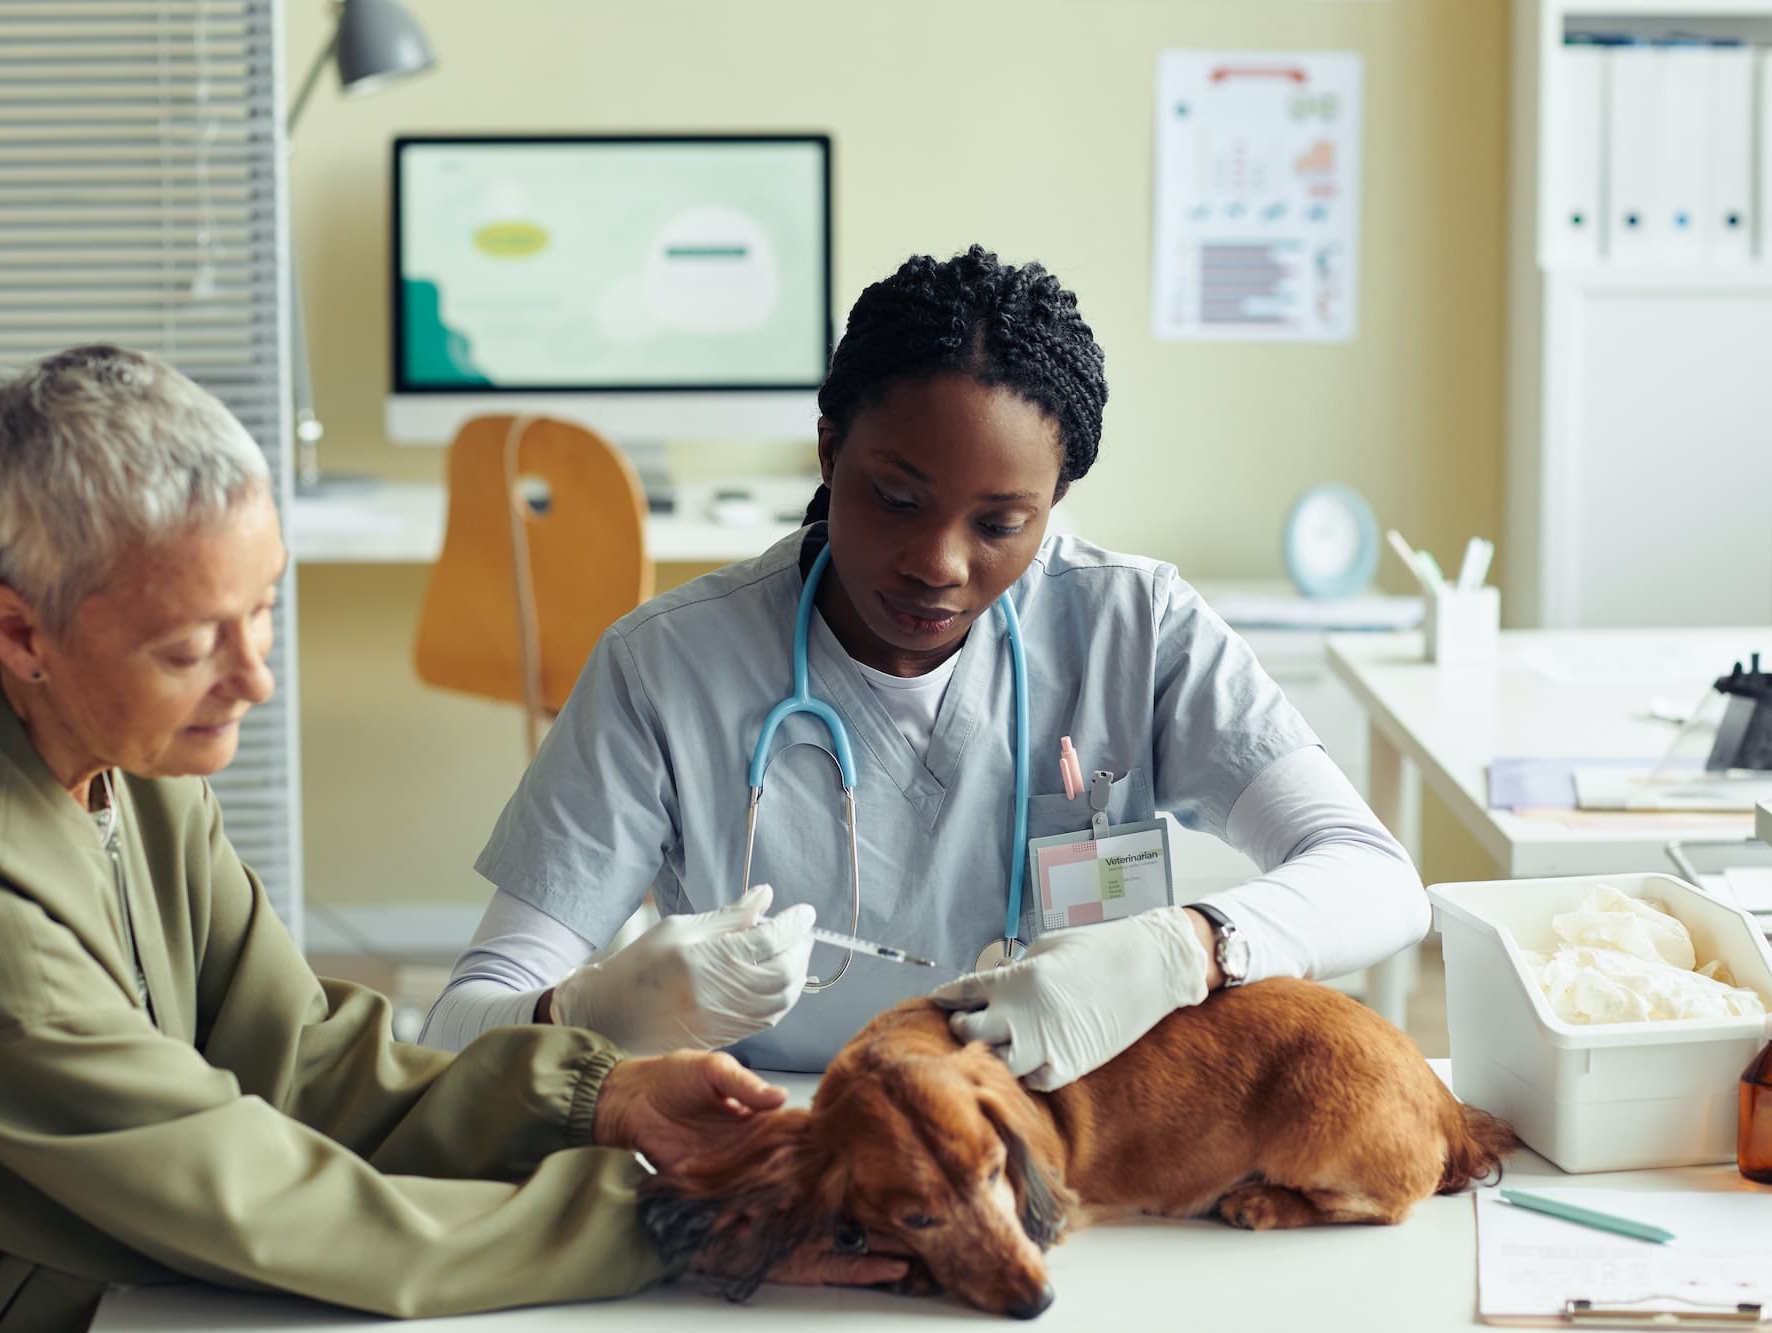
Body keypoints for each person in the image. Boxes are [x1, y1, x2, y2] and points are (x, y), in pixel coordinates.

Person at [0, 346, 900, 1331]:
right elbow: (263, 1200)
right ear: (20, 630)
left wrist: (594, 1099)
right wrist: (676, 1223)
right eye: (188, 647)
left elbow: (293, 1055)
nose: (252, 677)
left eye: (262, 607)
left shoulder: (116, 746)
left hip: (89, 1260)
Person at [425, 246, 1429, 1085]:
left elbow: (1377, 879)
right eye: (896, 499)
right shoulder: (666, 669)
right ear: (828, 450)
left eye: (999, 524)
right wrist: (593, 1008)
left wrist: (1183, 947)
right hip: (778, 1142)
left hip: (1059, 1138)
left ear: (1054, 503)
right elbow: (447, 1033)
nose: (938, 564)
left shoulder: (1134, 627)